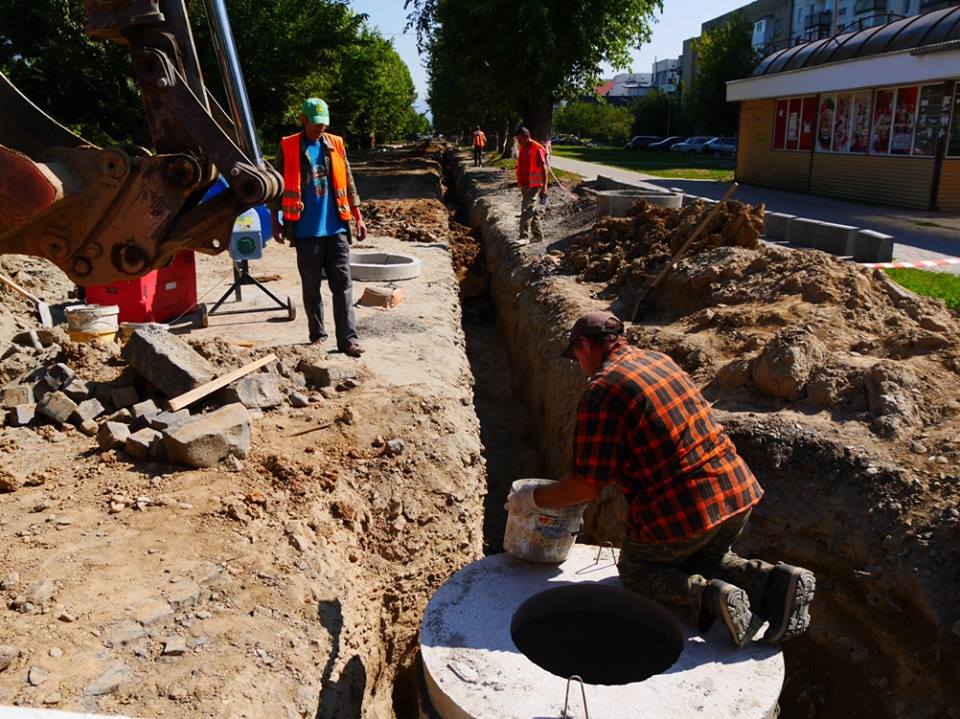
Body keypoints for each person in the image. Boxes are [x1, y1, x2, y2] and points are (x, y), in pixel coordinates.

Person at [507, 311, 816, 647]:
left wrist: (533, 498)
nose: (579, 365)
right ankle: (775, 581)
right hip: (735, 490)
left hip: (684, 508)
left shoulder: (601, 390)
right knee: (701, 560)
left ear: (584, 344)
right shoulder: (658, 360)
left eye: (576, 354)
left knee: (637, 570)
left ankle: (707, 595)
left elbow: (587, 485)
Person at [272, 98, 366, 357]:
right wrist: (274, 220)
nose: (320, 128)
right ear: (303, 120)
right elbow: (278, 186)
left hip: (336, 229)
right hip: (305, 231)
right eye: (315, 124)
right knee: (311, 287)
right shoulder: (288, 146)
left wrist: (358, 217)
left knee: (343, 285)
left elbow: (348, 182)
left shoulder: (335, 144)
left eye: (323, 124)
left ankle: (348, 340)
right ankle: (318, 336)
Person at [514, 126, 548, 244]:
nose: (518, 141)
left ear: (527, 136)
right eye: (517, 139)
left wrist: (545, 186)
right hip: (525, 183)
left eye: (520, 139)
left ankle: (523, 236)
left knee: (526, 208)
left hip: (534, 182)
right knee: (532, 210)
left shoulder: (537, 148)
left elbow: (544, 167)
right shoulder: (523, 146)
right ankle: (538, 235)